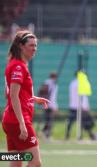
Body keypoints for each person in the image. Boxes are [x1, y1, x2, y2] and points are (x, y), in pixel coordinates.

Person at [2, 30, 49, 167]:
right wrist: (22, 124)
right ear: (21, 46)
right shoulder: (18, 66)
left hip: (10, 120)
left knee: (16, 162)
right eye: (31, 45)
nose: (34, 49)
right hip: (18, 120)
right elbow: (13, 96)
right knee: (35, 162)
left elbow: (16, 94)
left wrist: (33, 99)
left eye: (35, 45)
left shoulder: (15, 64)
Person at [65, 72, 96, 140]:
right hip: (80, 106)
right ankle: (88, 136)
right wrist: (85, 106)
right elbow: (83, 96)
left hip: (73, 106)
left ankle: (67, 136)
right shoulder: (82, 83)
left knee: (71, 121)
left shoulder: (72, 83)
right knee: (84, 122)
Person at [41, 71, 58, 139]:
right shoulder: (53, 84)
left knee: (47, 120)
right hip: (50, 104)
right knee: (50, 120)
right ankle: (47, 134)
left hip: (46, 103)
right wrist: (55, 106)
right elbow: (53, 96)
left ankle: (44, 132)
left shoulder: (46, 82)